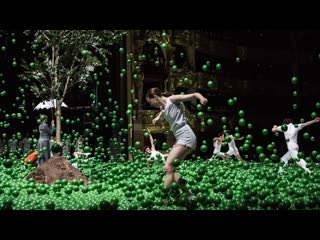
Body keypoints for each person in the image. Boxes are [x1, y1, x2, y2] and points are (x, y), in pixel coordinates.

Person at [146, 87, 208, 202]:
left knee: (168, 166)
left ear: (155, 97)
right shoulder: (162, 106)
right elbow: (163, 111)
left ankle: (164, 200)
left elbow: (194, 94)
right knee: (171, 169)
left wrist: (202, 98)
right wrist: (158, 118)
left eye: (150, 102)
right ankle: (189, 195)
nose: (150, 105)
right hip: (180, 137)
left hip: (186, 136)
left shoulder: (172, 99)